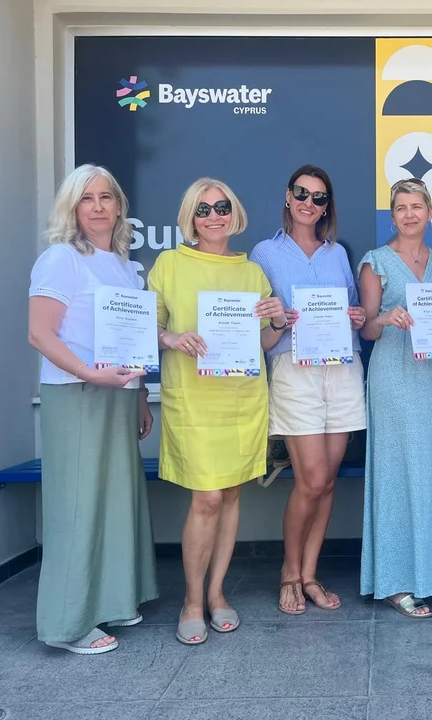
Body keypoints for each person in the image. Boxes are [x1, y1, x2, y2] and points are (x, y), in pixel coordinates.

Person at [148, 178, 286, 644]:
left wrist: (277, 319)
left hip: (242, 399)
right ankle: (191, 600)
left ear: (234, 213)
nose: (213, 216)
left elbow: (264, 342)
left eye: (222, 207)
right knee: (206, 497)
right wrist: (170, 338)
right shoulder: (169, 265)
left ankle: (216, 593)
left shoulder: (251, 273)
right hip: (193, 399)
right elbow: (147, 329)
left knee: (229, 496)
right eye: (203, 209)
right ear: (190, 217)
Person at [28, 164, 158, 655]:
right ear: (72, 207)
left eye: (106, 197)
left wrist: (139, 395)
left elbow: (132, 340)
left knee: (114, 500)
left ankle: (109, 601)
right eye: (87, 198)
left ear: (119, 205)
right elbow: (39, 333)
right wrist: (89, 373)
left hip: (118, 395)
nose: (98, 207)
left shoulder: (123, 265)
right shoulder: (61, 258)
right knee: (78, 505)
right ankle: (67, 624)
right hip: (77, 393)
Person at [250, 165, 367, 615]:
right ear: (288, 196)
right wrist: (278, 319)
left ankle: (310, 575)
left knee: (328, 481)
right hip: (293, 370)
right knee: (311, 480)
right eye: (302, 193)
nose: (308, 203)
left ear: (326, 206)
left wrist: (356, 316)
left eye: (319, 197)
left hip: (342, 369)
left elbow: (352, 310)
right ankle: (289, 573)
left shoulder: (338, 253)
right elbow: (259, 326)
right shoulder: (264, 253)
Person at [357, 178, 432, 618]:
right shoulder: (376, 261)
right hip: (392, 373)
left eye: (417, 206)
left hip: (430, 375)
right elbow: (366, 329)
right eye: (401, 207)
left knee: (428, 472)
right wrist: (386, 318)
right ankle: (394, 581)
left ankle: (429, 575)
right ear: (392, 215)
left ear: (430, 213)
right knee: (395, 472)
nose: (409, 214)